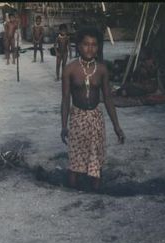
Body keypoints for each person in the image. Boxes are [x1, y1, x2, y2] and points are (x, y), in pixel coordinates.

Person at [61, 27, 125, 192]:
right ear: (79, 46)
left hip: (96, 118)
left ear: (98, 47)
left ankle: (96, 194)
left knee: (96, 156)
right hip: (77, 118)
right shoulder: (70, 69)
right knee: (76, 158)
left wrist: (117, 126)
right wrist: (63, 126)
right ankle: (72, 195)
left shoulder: (102, 69)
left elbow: (108, 99)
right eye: (86, 44)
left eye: (94, 45)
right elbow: (66, 98)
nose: (90, 48)